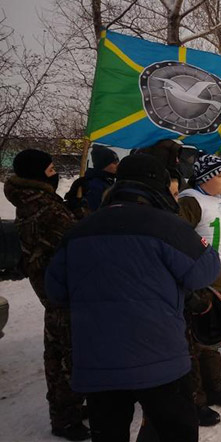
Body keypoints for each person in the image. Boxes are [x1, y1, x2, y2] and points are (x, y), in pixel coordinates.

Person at [45, 153, 221, 442]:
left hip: (98, 362)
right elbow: (205, 271)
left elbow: (55, 290)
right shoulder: (168, 225)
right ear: (161, 186)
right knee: (174, 432)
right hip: (160, 358)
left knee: (109, 434)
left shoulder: (80, 230)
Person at [4, 149, 88, 441]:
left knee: (59, 351)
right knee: (66, 357)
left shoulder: (32, 201)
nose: (56, 174)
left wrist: (70, 205)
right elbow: (75, 236)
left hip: (51, 285)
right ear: (37, 174)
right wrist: (78, 209)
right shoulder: (43, 206)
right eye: (52, 170)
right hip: (60, 288)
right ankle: (67, 418)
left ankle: (69, 410)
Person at [177, 155, 221, 426]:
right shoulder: (190, 200)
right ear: (206, 178)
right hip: (204, 278)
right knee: (197, 337)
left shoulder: (220, 201)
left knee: (214, 334)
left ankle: (215, 386)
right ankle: (196, 398)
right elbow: (181, 238)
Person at [65, 145, 119, 216]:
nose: (118, 165)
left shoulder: (108, 181)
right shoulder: (94, 185)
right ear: (103, 164)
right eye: (114, 162)